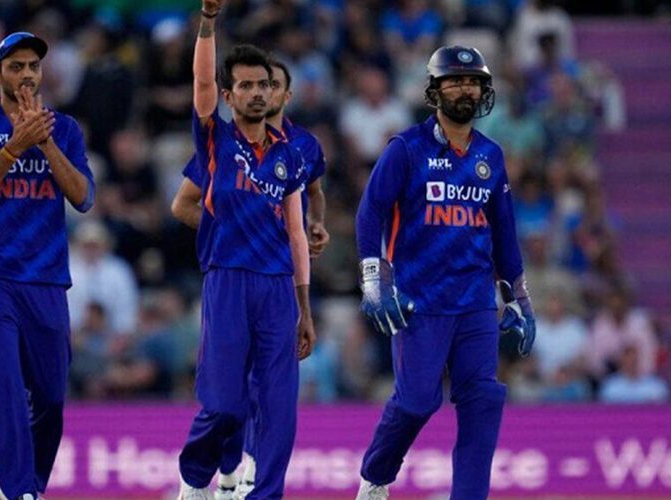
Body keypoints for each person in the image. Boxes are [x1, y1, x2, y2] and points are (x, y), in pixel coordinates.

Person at [353, 46, 536, 500]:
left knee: (483, 400)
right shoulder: (406, 148)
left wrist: (519, 299)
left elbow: (504, 232)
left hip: (475, 302)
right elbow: (370, 212)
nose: (464, 89)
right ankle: (375, 477)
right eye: (454, 81)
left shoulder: (490, 155)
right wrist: (374, 279)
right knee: (417, 402)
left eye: (472, 82)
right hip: (420, 301)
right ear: (435, 91)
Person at [169, 1, 316, 498]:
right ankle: (195, 478)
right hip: (227, 280)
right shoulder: (216, 140)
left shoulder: (290, 155)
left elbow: (297, 233)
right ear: (229, 96)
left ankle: (265, 494)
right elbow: (201, 83)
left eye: (264, 85)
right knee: (224, 404)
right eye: (247, 86)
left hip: (277, 289)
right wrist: (208, 23)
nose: (257, 92)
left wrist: (304, 307)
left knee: (279, 408)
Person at [0, 31, 95, 500]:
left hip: (46, 278)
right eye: (16, 67)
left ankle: (32, 487)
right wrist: (13, 148)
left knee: (50, 396)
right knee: (6, 389)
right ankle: (16, 491)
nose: (27, 74)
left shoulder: (64, 129)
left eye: (33, 66)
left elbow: (84, 198)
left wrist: (43, 143)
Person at [209, 57, 331, 500]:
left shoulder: (304, 146)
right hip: (237, 273)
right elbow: (185, 202)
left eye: (272, 85)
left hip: (282, 275)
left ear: (286, 94)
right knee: (232, 389)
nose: (264, 92)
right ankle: (225, 469)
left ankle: (255, 472)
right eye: (256, 84)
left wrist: (316, 224)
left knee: (273, 390)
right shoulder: (227, 143)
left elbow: (314, 194)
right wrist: (232, 233)